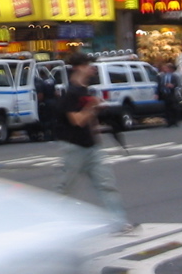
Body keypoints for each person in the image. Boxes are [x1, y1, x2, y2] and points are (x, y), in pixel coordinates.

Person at [55, 53, 135, 234]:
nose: (92, 68)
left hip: (92, 146)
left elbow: (89, 120)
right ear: (78, 67)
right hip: (74, 147)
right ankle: (53, 223)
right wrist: (92, 106)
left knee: (107, 185)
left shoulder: (86, 90)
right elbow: (77, 120)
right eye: (88, 65)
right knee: (65, 188)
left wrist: (96, 120)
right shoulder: (70, 94)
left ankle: (119, 222)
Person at [159, 62, 182, 128]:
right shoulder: (162, 76)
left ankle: (174, 121)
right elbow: (160, 84)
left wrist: (172, 85)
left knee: (173, 108)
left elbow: (177, 84)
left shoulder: (174, 76)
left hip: (171, 93)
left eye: (166, 68)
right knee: (167, 109)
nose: (165, 69)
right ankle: (169, 121)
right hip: (165, 94)